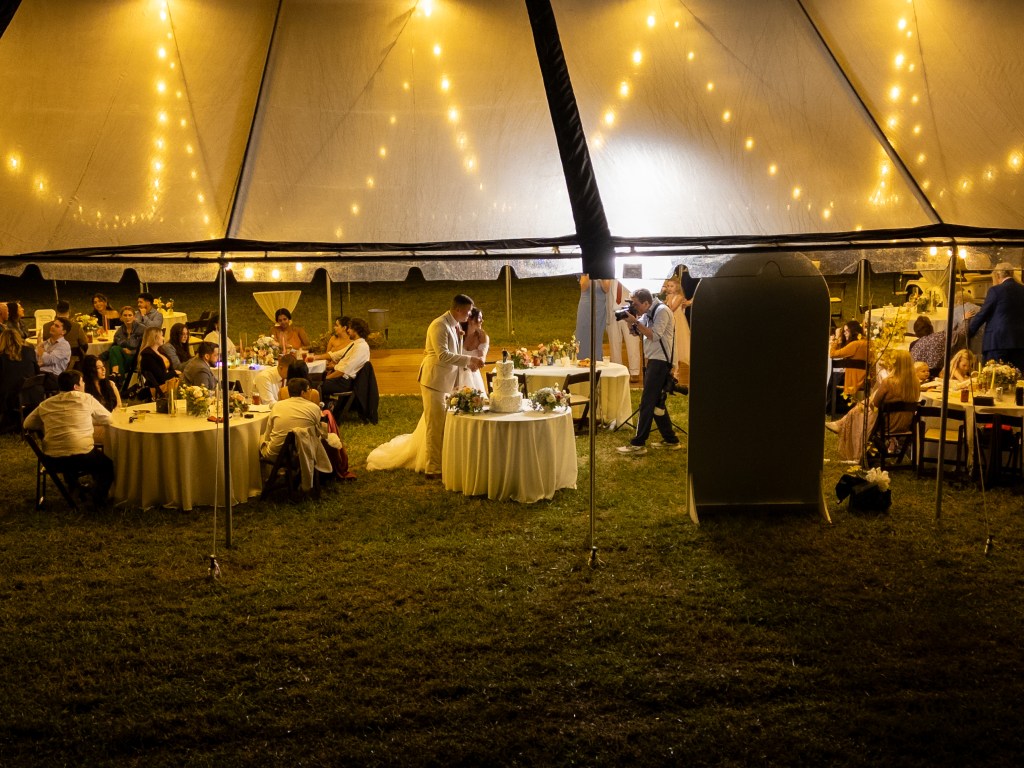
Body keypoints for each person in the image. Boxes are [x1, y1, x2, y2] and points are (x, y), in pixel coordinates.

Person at [22, 370, 114, 508]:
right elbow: (108, 419)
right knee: (107, 466)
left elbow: (27, 424)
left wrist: (46, 424)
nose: (84, 384)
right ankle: (98, 499)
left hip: (53, 460)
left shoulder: (46, 404)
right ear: (76, 387)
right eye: (82, 382)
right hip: (82, 458)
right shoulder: (86, 399)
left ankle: (74, 487)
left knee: (73, 451)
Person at [417, 294, 481, 478]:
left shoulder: (454, 324)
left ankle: (442, 463)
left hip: (446, 381)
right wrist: (470, 360)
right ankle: (433, 468)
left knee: (444, 424)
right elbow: (443, 355)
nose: (469, 315)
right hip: (434, 381)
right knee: (435, 425)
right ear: (458, 309)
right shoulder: (439, 325)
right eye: (468, 311)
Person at [616, 288, 680, 455]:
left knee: (647, 402)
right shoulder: (649, 312)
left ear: (646, 303)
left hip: (661, 361)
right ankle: (671, 440)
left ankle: (638, 444)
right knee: (657, 403)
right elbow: (636, 332)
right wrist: (629, 322)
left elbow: (654, 335)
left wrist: (636, 321)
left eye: (636, 304)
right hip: (655, 360)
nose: (634, 307)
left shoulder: (662, 311)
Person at [826, 350, 920, 462]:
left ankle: (841, 425)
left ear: (895, 364)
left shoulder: (889, 382)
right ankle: (840, 424)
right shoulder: (915, 383)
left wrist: (868, 404)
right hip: (905, 424)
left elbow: (874, 405)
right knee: (862, 406)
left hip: (887, 424)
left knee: (859, 410)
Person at [967, 262, 1024, 372]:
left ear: (997, 275)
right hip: (1020, 343)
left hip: (998, 342)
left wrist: (968, 332)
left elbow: (983, 313)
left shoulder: (996, 290)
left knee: (994, 376)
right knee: (1017, 377)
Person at [260, 378, 325, 460]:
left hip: (276, 455)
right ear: (302, 392)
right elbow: (317, 433)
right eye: (309, 389)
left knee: (261, 437)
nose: (310, 392)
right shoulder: (315, 408)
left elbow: (268, 433)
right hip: (304, 456)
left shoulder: (277, 406)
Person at [322, 317, 371, 404]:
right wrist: (315, 357)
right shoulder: (355, 344)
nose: (348, 331)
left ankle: (319, 408)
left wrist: (327, 378)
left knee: (315, 385)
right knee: (315, 379)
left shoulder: (361, 347)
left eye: (350, 328)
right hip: (342, 379)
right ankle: (326, 405)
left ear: (355, 330)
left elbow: (345, 370)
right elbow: (337, 355)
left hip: (344, 382)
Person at [0, 327, 38, 430]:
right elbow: (36, 371)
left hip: (9, 396)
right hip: (31, 393)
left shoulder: (2, 356)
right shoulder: (30, 351)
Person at [605, 279, 642, 384]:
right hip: (612, 312)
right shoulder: (608, 275)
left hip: (629, 312)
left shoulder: (629, 274)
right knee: (614, 344)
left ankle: (634, 371)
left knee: (632, 342)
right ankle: (617, 369)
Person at [42, 300, 89, 369]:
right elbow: (84, 344)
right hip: (73, 364)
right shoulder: (76, 326)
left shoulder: (46, 326)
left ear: (56, 311)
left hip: (52, 363)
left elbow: (45, 344)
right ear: (69, 311)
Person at [829, 320, 869, 398]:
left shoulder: (855, 344)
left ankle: (830, 403)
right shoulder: (867, 343)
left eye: (847, 330)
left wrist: (836, 339)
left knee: (834, 377)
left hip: (853, 380)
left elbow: (832, 354)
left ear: (853, 330)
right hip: (863, 379)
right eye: (844, 331)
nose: (844, 333)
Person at [662, 275, 692, 378]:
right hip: (669, 322)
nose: (669, 288)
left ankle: (676, 371)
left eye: (672, 286)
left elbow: (671, 309)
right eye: (668, 286)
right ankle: (671, 369)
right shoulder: (668, 297)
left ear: (677, 287)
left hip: (678, 322)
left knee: (678, 345)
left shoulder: (679, 297)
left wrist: (670, 299)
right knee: (671, 346)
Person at [138, 326, 179, 400]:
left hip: (169, 381)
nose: (163, 338)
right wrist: (174, 372)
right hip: (159, 387)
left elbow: (169, 369)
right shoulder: (147, 356)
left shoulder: (160, 351)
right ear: (155, 338)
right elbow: (160, 378)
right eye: (162, 336)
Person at [574, 275, 608, 363]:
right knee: (583, 335)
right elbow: (584, 286)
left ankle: (596, 362)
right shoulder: (584, 270)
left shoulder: (605, 268)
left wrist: (599, 272)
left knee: (597, 337)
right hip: (586, 305)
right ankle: (581, 361)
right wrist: (589, 272)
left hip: (599, 307)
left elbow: (606, 288)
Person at [108, 306, 143, 383]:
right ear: (121, 318)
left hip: (137, 358)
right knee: (115, 350)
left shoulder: (141, 329)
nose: (127, 318)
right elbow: (114, 346)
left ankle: (116, 376)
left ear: (134, 317)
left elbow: (147, 346)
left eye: (130, 315)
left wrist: (132, 352)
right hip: (124, 358)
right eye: (125, 315)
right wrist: (99, 357)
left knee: (115, 351)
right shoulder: (119, 331)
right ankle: (117, 375)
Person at [456, 308, 488, 391]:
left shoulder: (482, 336)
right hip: (456, 375)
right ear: (470, 319)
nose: (482, 321)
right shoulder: (458, 334)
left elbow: (482, 356)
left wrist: (479, 363)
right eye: (479, 318)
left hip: (473, 376)